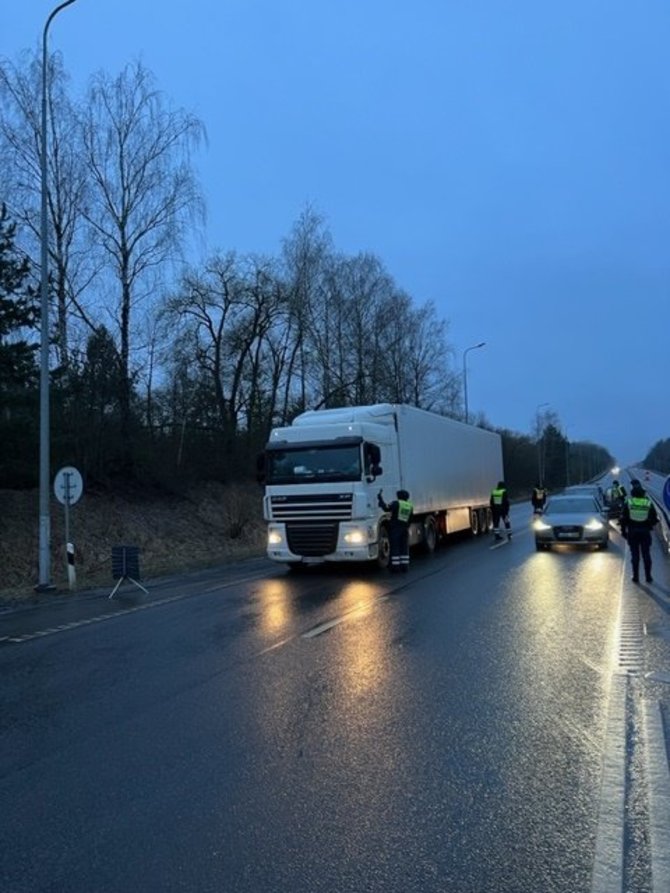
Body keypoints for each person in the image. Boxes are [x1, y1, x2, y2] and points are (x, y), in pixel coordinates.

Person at [619, 479, 658, 583]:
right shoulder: (648, 503)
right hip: (645, 531)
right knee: (646, 554)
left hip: (632, 532)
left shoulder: (629, 502)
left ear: (632, 493)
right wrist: (649, 525)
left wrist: (623, 531)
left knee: (635, 555)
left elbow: (623, 519)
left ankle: (635, 577)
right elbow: (655, 518)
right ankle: (648, 577)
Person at [378, 488, 413, 572]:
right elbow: (411, 518)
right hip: (405, 528)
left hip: (396, 528)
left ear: (399, 496)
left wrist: (380, 499)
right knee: (404, 547)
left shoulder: (397, 503)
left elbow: (386, 508)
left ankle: (395, 567)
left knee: (395, 547)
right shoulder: (409, 506)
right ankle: (405, 566)